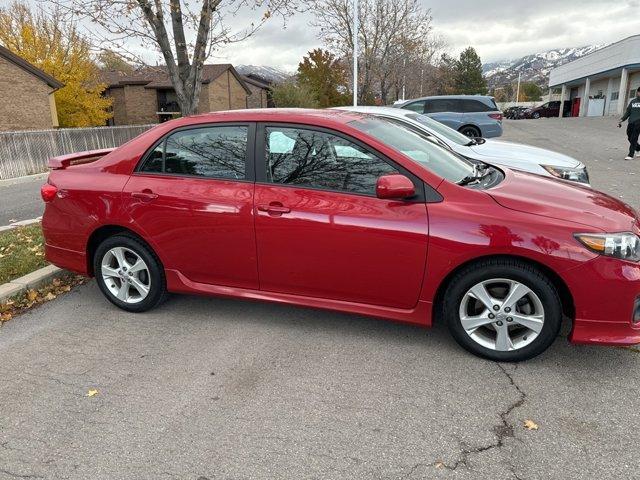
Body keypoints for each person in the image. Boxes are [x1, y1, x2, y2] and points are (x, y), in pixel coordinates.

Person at [618, 86, 640, 160]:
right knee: (629, 136)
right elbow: (628, 112)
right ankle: (638, 148)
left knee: (634, 138)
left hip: (638, 123)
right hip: (631, 122)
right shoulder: (633, 101)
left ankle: (631, 154)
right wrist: (622, 119)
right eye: (639, 92)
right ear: (638, 92)